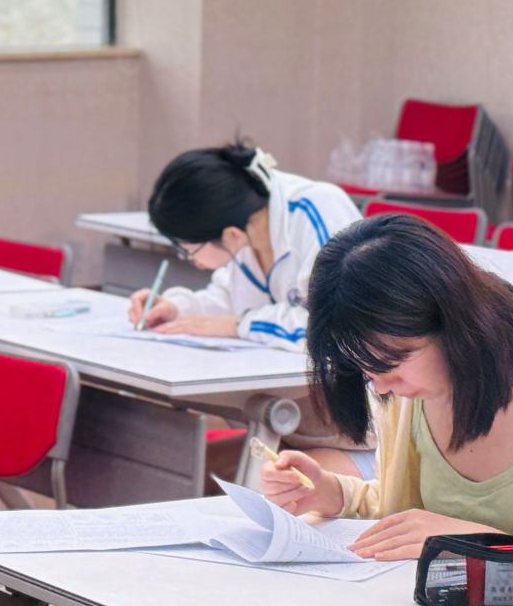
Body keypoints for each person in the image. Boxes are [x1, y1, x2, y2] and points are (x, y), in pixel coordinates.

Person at [263, 214, 513, 600]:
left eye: (390, 363)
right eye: (365, 369)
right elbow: (415, 514)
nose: (381, 385)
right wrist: (334, 494)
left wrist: (480, 549)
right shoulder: (410, 388)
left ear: (454, 324)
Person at [128, 142, 372, 476]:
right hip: (305, 411)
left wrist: (239, 325)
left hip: (364, 424)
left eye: (189, 251)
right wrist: (177, 308)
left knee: (267, 481)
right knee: (195, 468)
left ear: (230, 235)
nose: (192, 262)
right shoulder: (245, 222)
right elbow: (226, 298)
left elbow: (336, 330)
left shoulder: (318, 211)